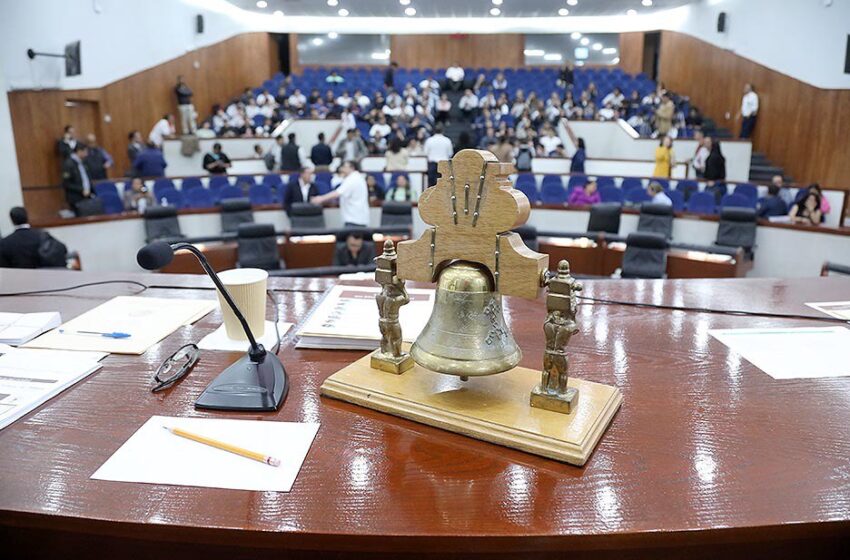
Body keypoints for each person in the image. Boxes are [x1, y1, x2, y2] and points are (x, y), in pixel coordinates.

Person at [0, 207, 67, 269]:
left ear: (12, 220)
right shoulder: (42, 235)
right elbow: (62, 248)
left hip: (20, 279)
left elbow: (4, 267)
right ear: (27, 217)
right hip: (44, 277)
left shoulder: (5, 243)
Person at [311, 160, 370, 227]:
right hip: (356, 218)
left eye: (344, 167)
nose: (341, 169)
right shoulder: (356, 177)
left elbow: (337, 193)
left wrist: (320, 199)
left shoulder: (353, 179)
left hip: (355, 219)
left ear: (352, 168)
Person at [61, 144, 93, 214]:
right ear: (79, 151)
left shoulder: (83, 162)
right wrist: (81, 190)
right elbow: (66, 183)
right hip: (76, 198)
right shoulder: (68, 164)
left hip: (87, 196)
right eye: (85, 152)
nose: (87, 154)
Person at [423, 124, 453, 188]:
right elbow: (450, 154)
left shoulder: (429, 140)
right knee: (444, 185)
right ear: (443, 131)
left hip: (432, 164)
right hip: (443, 164)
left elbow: (425, 153)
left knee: (432, 186)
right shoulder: (447, 140)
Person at [703, 138, 727, 203]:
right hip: (721, 184)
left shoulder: (712, 158)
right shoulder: (721, 157)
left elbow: (712, 173)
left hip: (714, 185)